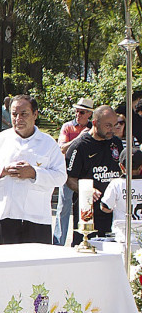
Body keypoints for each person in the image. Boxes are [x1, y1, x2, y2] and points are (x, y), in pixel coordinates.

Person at [0, 95, 67, 245]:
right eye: (14, 114)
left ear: (35, 114)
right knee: (4, 266)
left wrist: (34, 173)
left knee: (35, 267)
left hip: (36, 218)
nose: (18, 118)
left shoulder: (48, 143)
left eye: (24, 114)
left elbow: (61, 177)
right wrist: (3, 170)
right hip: (4, 216)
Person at [64, 104, 124, 242]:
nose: (112, 130)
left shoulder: (116, 143)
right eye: (108, 126)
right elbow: (70, 179)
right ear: (95, 123)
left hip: (112, 211)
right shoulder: (79, 146)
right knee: (85, 250)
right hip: (88, 212)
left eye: (115, 125)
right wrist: (86, 190)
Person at [54, 98, 94, 245]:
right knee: (63, 208)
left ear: (89, 114)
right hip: (68, 173)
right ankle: (59, 242)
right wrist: (80, 138)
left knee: (84, 208)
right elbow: (62, 148)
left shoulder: (92, 128)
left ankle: (80, 241)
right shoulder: (67, 127)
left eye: (82, 112)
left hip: (85, 175)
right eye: (76, 111)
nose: (78, 114)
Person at [99, 148, 142, 243]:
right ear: (141, 167)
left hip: (123, 236)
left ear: (121, 167)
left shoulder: (116, 184)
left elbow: (105, 207)